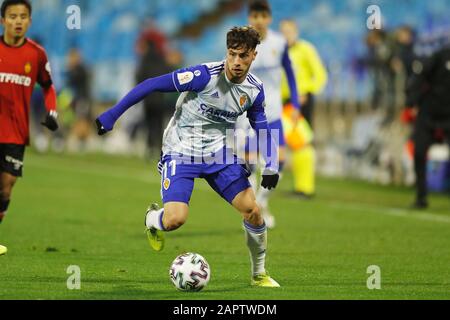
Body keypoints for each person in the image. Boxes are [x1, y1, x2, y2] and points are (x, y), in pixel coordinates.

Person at [96, 26, 281, 287]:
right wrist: (112, 114)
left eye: (243, 56)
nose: (236, 62)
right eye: (232, 55)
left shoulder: (254, 90)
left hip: (218, 154)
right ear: (226, 53)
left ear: (254, 56)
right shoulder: (202, 76)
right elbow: (151, 85)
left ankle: (258, 274)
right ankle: (152, 219)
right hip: (181, 152)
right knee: (175, 220)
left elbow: (261, 126)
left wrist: (271, 165)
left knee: (252, 210)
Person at [0, 0, 59, 253]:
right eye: (13, 16)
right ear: (3, 20)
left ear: (30, 21)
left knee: (7, 184)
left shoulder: (36, 54)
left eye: (23, 16)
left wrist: (52, 111)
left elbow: (47, 85)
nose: (18, 21)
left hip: (16, 131)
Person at [240, 0, 301, 229]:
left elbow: (291, 75)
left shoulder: (279, 42)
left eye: (262, 16)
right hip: (247, 113)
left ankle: (261, 203)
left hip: (273, 112)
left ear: (269, 19)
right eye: (254, 16)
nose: (258, 20)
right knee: (250, 164)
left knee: (279, 161)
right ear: (250, 18)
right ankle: (251, 208)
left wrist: (295, 104)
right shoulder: (242, 42)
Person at [279, 19, 327, 199]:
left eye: (289, 31)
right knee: (290, 144)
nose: (286, 34)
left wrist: (308, 91)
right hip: (282, 102)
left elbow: (320, 75)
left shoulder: (306, 49)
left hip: (300, 102)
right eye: (283, 31)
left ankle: (305, 188)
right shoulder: (278, 51)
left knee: (302, 144)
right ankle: (299, 186)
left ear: (296, 32)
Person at [405, 45, 450, 209]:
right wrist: (411, 102)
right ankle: (421, 197)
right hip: (429, 113)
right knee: (419, 153)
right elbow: (420, 77)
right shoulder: (440, 55)